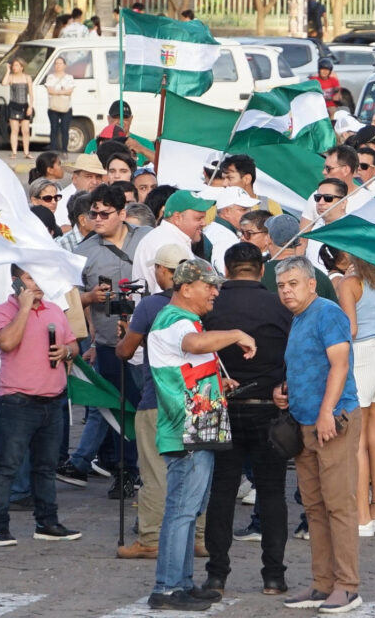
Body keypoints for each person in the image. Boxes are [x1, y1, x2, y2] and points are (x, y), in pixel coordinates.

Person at [145, 259, 254, 611]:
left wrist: (219, 382)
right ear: (185, 287)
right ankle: (166, 588)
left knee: (187, 511)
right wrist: (237, 334)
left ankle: (181, 583)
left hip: (195, 426)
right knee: (182, 511)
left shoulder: (177, 319)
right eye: (209, 285)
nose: (215, 292)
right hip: (187, 429)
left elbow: (188, 364)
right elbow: (192, 344)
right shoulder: (176, 321)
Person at [201, 243, 292, 596]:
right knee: (272, 493)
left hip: (221, 405)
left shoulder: (212, 304)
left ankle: (216, 574)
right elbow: (294, 351)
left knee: (222, 492)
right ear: (260, 270)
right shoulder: (278, 305)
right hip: (269, 406)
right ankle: (274, 575)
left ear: (227, 269)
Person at [273, 256, 362, 613]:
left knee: (339, 504)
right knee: (314, 506)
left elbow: (340, 364)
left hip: (332, 420)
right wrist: (284, 390)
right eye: (281, 285)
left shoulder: (327, 312)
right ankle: (322, 583)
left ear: (311, 283)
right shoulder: (299, 317)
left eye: (293, 283)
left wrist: (327, 411)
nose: (286, 291)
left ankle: (347, 585)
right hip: (304, 422)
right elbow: (308, 365)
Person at [58, 185, 150, 496]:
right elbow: (68, 301)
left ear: (122, 214)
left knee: (147, 408)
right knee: (119, 408)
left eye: (104, 213)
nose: (96, 218)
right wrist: (88, 297)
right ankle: (125, 472)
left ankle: (149, 471)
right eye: (92, 213)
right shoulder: (82, 252)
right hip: (112, 343)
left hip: (151, 344)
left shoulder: (147, 240)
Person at [0, 265, 81, 546]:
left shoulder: (54, 310)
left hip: (52, 400)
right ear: (16, 282)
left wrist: (66, 351)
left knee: (46, 467)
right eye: (29, 278)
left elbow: (73, 344)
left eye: (40, 276)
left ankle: (47, 522)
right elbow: (6, 342)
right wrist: (24, 309)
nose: (37, 283)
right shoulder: (2, 312)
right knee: (6, 466)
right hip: (17, 401)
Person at [115, 243, 196, 560]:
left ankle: (151, 538)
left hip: (158, 399)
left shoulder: (150, 307)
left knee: (154, 472)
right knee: (195, 471)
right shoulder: (201, 304)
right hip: (194, 398)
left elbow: (125, 351)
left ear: (164, 271)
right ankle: (199, 535)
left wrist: (125, 333)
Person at [337, 256, 375, 537]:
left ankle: (362, 517)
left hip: (359, 358)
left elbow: (351, 330)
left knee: (357, 443)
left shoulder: (349, 283)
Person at [132, 190, 214, 294]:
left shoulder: (160, 236)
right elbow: (167, 294)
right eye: (199, 218)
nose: (204, 223)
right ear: (177, 218)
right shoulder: (170, 245)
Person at [258, 214, 339, 303]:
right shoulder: (319, 276)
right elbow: (335, 314)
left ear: (269, 239)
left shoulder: (259, 274)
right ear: (298, 240)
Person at [203, 187, 257, 275]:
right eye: (243, 209)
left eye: (249, 209)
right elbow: (225, 276)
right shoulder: (224, 239)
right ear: (227, 211)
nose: (249, 214)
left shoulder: (217, 230)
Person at [56, 154, 107, 232]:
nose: (95, 182)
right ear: (75, 178)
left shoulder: (108, 197)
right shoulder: (61, 201)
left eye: (98, 177)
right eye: (89, 176)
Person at [2, 58, 35, 159]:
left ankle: (26, 152)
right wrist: (7, 71)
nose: (14, 67)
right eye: (13, 65)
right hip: (14, 105)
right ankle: (14, 152)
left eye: (16, 65)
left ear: (22, 67)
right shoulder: (11, 77)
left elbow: (31, 93)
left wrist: (30, 106)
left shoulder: (27, 77)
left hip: (24, 105)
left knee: (25, 130)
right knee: (15, 130)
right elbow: (3, 83)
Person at [45, 57, 75, 155]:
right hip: (53, 107)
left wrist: (56, 91)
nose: (58, 65)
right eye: (56, 63)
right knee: (54, 128)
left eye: (60, 63)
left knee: (65, 129)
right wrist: (62, 91)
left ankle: (64, 150)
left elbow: (70, 91)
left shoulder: (69, 77)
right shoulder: (50, 77)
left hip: (66, 107)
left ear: (64, 65)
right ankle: (53, 150)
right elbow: (49, 90)